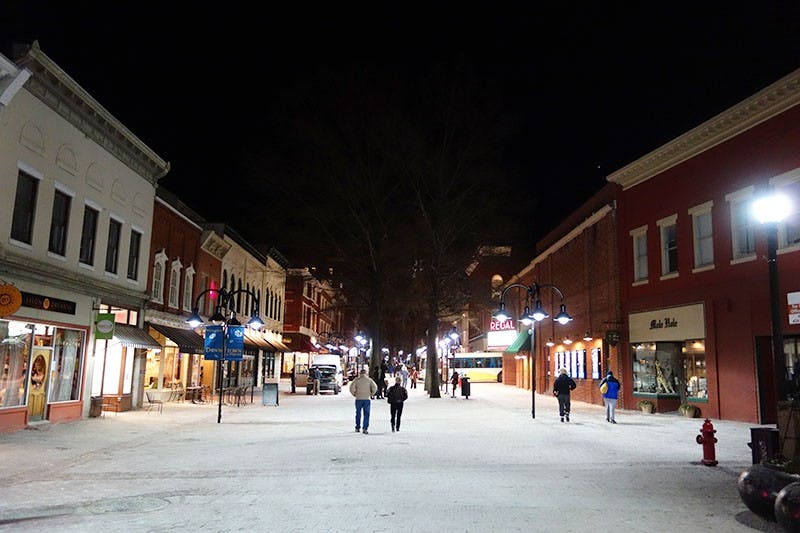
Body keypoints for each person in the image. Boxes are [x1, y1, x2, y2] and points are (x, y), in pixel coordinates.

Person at [349, 368, 378, 434]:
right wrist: (371, 394)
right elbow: (375, 387)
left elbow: (351, 388)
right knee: (366, 414)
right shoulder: (369, 380)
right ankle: (365, 428)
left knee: (358, 413)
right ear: (366, 373)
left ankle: (357, 427)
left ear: (360, 373)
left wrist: (354, 394)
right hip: (367, 399)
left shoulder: (356, 380)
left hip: (358, 398)